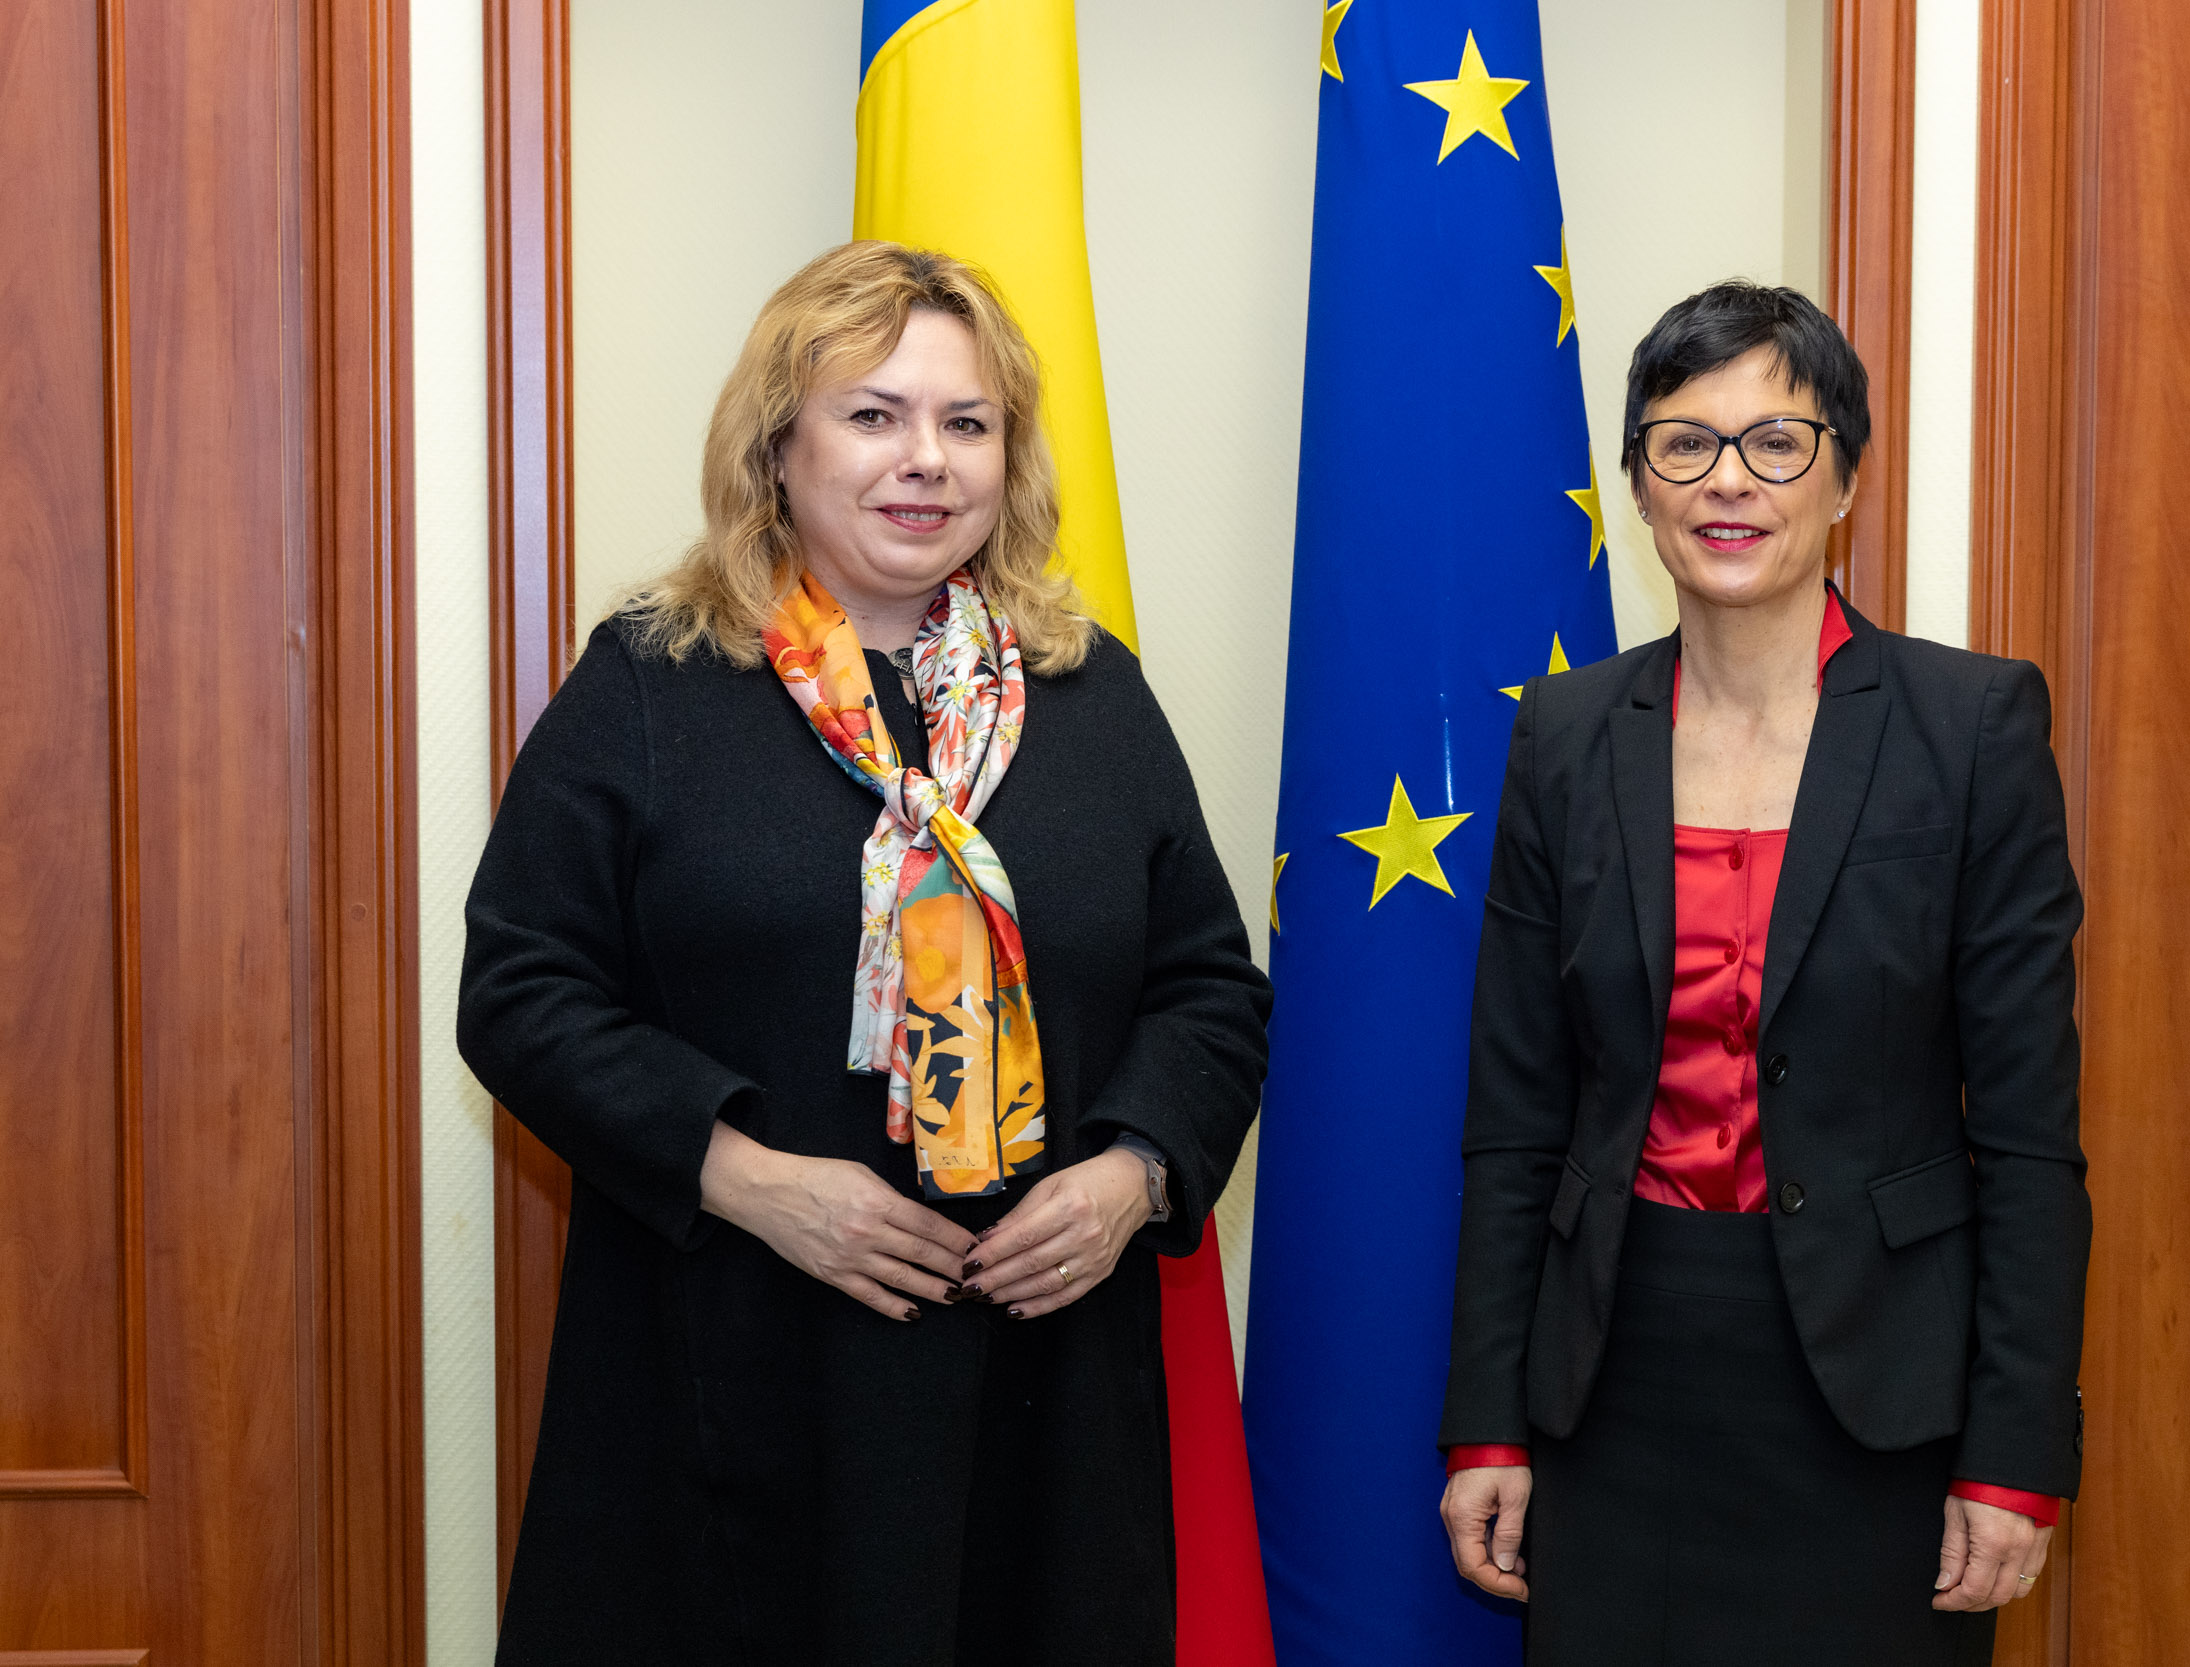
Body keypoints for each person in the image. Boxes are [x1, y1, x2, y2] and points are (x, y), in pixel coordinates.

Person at [460, 241, 1270, 1667]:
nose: (927, 460)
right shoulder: (652, 681)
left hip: (1043, 1397)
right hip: (735, 1376)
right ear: (779, 446)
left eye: (967, 423)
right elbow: (520, 990)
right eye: (874, 415)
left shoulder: (1092, 693)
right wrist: (748, 1180)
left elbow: (1209, 991)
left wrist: (1134, 1176)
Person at [1435, 280, 2089, 1664]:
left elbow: (2030, 1138)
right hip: (1612, 1382)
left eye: (1777, 442)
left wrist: (2016, 1450)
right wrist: (1486, 1422)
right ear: (1639, 484)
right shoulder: (1564, 736)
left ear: (1845, 479)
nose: (1728, 481)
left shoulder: (1970, 727)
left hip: (1881, 1395)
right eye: (1685, 443)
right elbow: (1515, 1121)